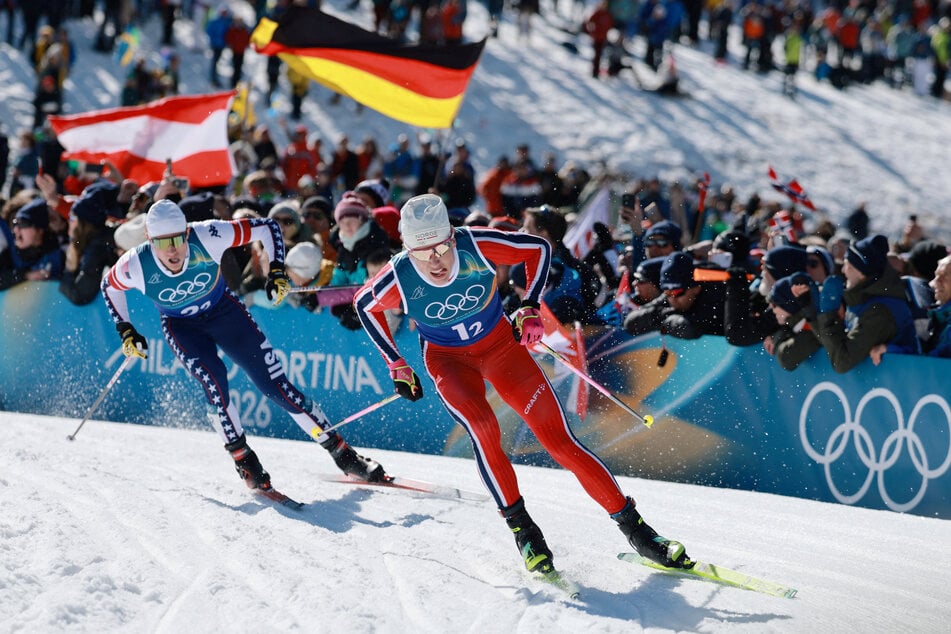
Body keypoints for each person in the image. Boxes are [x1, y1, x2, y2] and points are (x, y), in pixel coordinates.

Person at [353, 194, 691, 576]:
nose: (433, 259)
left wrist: (530, 305)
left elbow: (538, 250)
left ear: (451, 236)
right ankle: (524, 530)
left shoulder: (475, 244)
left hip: (502, 350)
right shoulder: (400, 274)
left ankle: (639, 532)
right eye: (420, 251)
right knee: (483, 429)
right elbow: (365, 305)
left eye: (441, 247)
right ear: (406, 249)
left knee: (559, 441)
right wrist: (395, 363)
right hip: (449, 362)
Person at [100, 200, 387, 493]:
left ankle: (344, 455)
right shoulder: (135, 264)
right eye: (163, 242)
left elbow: (267, 227)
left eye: (177, 239)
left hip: (225, 313)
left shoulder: (208, 235)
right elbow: (109, 287)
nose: (172, 249)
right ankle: (245, 460)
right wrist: (125, 328)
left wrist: (277, 270)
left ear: (187, 232)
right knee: (215, 381)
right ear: (149, 240)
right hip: (182, 327)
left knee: (276, 386)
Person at [795, 234, 919, 373]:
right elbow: (833, 346)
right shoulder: (862, 299)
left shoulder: (879, 311)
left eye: (847, 264)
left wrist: (829, 316)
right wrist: (811, 310)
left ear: (860, 272)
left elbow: (842, 361)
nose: (842, 270)